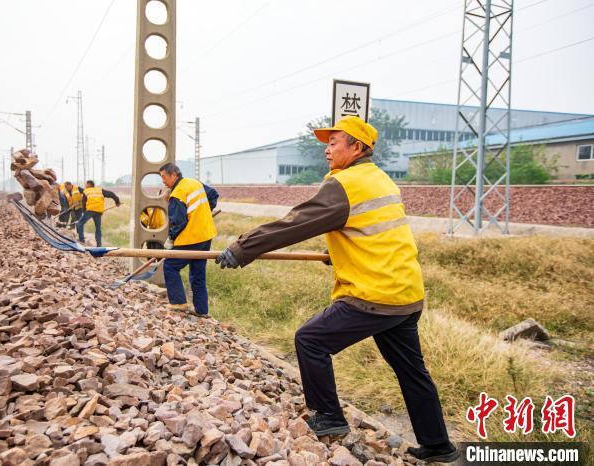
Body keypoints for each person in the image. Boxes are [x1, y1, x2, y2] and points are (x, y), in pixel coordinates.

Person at [215, 116, 458, 463]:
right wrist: (340, 252)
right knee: (411, 371)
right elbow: (374, 231)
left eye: (334, 142)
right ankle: (438, 445)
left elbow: (297, 222)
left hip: (373, 295)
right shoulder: (380, 179)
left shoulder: (345, 183)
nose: (327, 150)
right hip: (405, 292)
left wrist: (243, 248)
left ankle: (329, 417)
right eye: (326, 143)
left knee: (310, 340)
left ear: (357, 148)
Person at [159, 163, 218, 317]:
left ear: (173, 175)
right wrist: (203, 214)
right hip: (206, 235)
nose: (163, 181)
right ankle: (202, 311)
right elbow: (213, 195)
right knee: (198, 273)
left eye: (164, 177)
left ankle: (178, 304)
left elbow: (179, 221)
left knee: (170, 265)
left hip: (192, 238)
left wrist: (171, 238)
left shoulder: (177, 194)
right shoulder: (194, 183)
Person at [77, 180, 120, 247]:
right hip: (99, 211)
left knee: (80, 223)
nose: (85, 186)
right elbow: (111, 194)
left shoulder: (86, 191)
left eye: (86, 184)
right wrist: (117, 201)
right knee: (98, 228)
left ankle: (81, 241)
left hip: (90, 210)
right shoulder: (100, 190)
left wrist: (84, 212)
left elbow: (84, 203)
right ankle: (99, 245)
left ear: (89, 184)